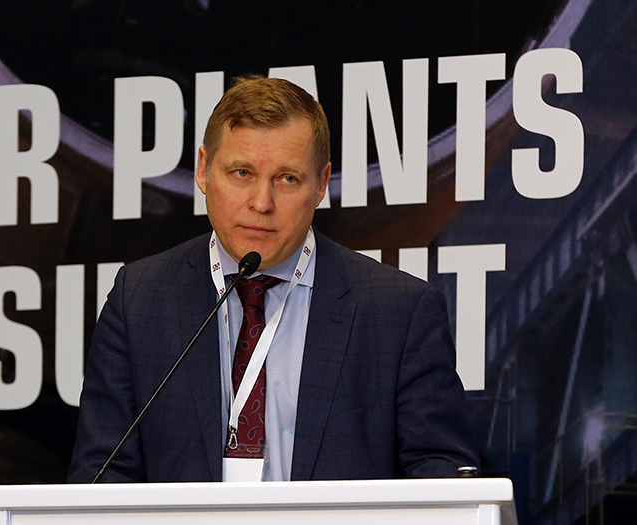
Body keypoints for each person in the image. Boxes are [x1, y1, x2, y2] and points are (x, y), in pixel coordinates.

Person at [68, 76, 479, 483]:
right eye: (242, 172)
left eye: (287, 178)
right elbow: (101, 474)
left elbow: (441, 473)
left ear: (321, 184)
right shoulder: (139, 300)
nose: (262, 203)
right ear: (203, 170)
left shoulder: (399, 311)